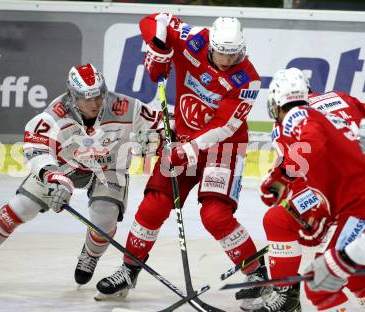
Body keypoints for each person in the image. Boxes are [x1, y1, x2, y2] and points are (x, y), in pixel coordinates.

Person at [95, 13, 270, 310]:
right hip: (182, 139)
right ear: (211, 44)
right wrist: (158, 46)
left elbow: (223, 125)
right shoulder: (195, 38)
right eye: (221, 54)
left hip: (222, 149)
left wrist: (188, 148)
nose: (227, 61)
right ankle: (128, 270)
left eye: (234, 55)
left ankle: (258, 277)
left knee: (215, 215)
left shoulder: (248, 78)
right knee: (154, 203)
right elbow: (154, 20)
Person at [0, 63, 162, 288]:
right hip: (64, 165)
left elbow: (163, 126)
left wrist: (154, 140)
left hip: (108, 167)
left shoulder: (126, 106)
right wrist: (53, 176)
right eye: (87, 98)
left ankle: (91, 254)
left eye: (99, 95)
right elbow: (36, 145)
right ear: (72, 96)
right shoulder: (56, 114)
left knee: (105, 216)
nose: (96, 103)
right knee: (21, 206)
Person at [257, 67, 365, 311]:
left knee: (322, 278)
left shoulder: (292, 117)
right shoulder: (341, 98)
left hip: (353, 201)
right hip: (348, 193)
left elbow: (308, 149)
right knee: (345, 266)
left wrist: (279, 179)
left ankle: (285, 295)